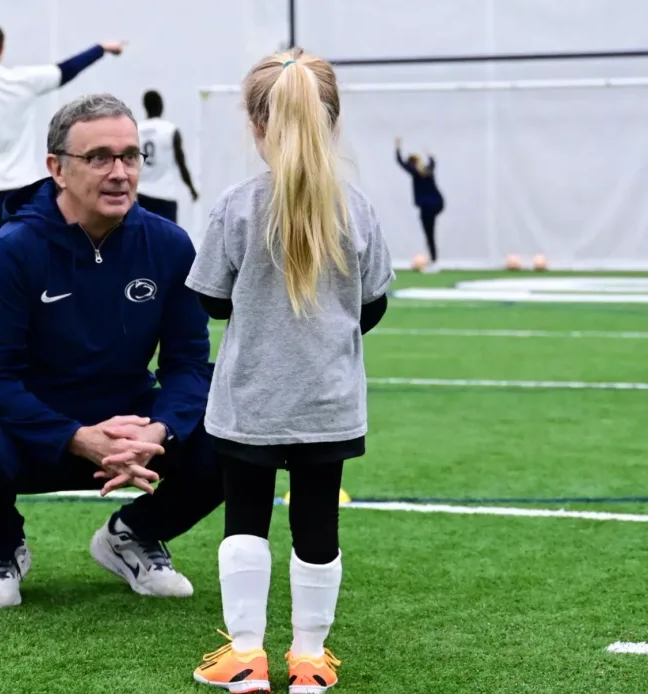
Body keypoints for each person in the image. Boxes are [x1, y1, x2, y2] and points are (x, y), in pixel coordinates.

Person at [0, 92, 224, 610]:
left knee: (232, 440)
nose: (119, 172)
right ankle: (3, 547)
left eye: (130, 156)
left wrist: (157, 430)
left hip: (130, 423)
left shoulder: (170, 244)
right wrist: (76, 438)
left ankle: (132, 535)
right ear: (57, 168)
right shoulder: (13, 247)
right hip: (28, 426)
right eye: (99, 157)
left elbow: (186, 365)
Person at [185, 49, 394, 693]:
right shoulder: (355, 207)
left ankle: (247, 658)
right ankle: (308, 659)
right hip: (327, 402)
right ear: (330, 119)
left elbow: (210, 298)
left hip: (250, 400)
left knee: (245, 519)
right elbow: (373, 304)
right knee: (316, 524)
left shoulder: (236, 205)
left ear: (256, 124)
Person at [0, 22, 126, 366]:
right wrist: (101, 47)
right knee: (33, 261)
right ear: (2, 48)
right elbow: (65, 71)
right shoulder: (20, 80)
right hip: (22, 189)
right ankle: (45, 341)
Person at [135, 89, 198, 223]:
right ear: (161, 106)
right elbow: (181, 164)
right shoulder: (170, 130)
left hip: (142, 195)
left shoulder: (136, 130)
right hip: (165, 194)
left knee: (146, 238)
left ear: (145, 106)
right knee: (168, 238)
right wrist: (191, 188)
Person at [395, 137, 445, 270]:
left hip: (428, 206)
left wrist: (398, 147)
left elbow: (401, 163)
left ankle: (434, 261)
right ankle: (434, 259)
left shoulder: (416, 172)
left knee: (429, 233)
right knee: (430, 232)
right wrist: (428, 152)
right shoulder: (428, 170)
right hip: (438, 203)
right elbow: (433, 162)